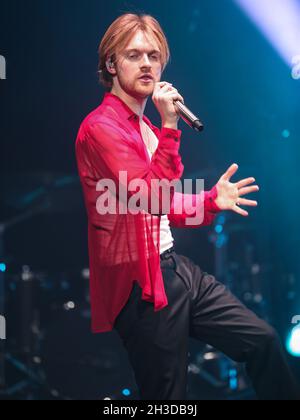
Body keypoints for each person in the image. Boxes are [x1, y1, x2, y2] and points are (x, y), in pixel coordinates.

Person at [75, 13, 300, 400]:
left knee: (261, 340)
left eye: (154, 55)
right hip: (139, 284)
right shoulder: (101, 129)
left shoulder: (142, 126)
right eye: (134, 55)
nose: (147, 64)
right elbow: (155, 197)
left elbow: (161, 207)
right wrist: (170, 125)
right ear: (111, 64)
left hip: (171, 265)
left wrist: (212, 200)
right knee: (167, 396)